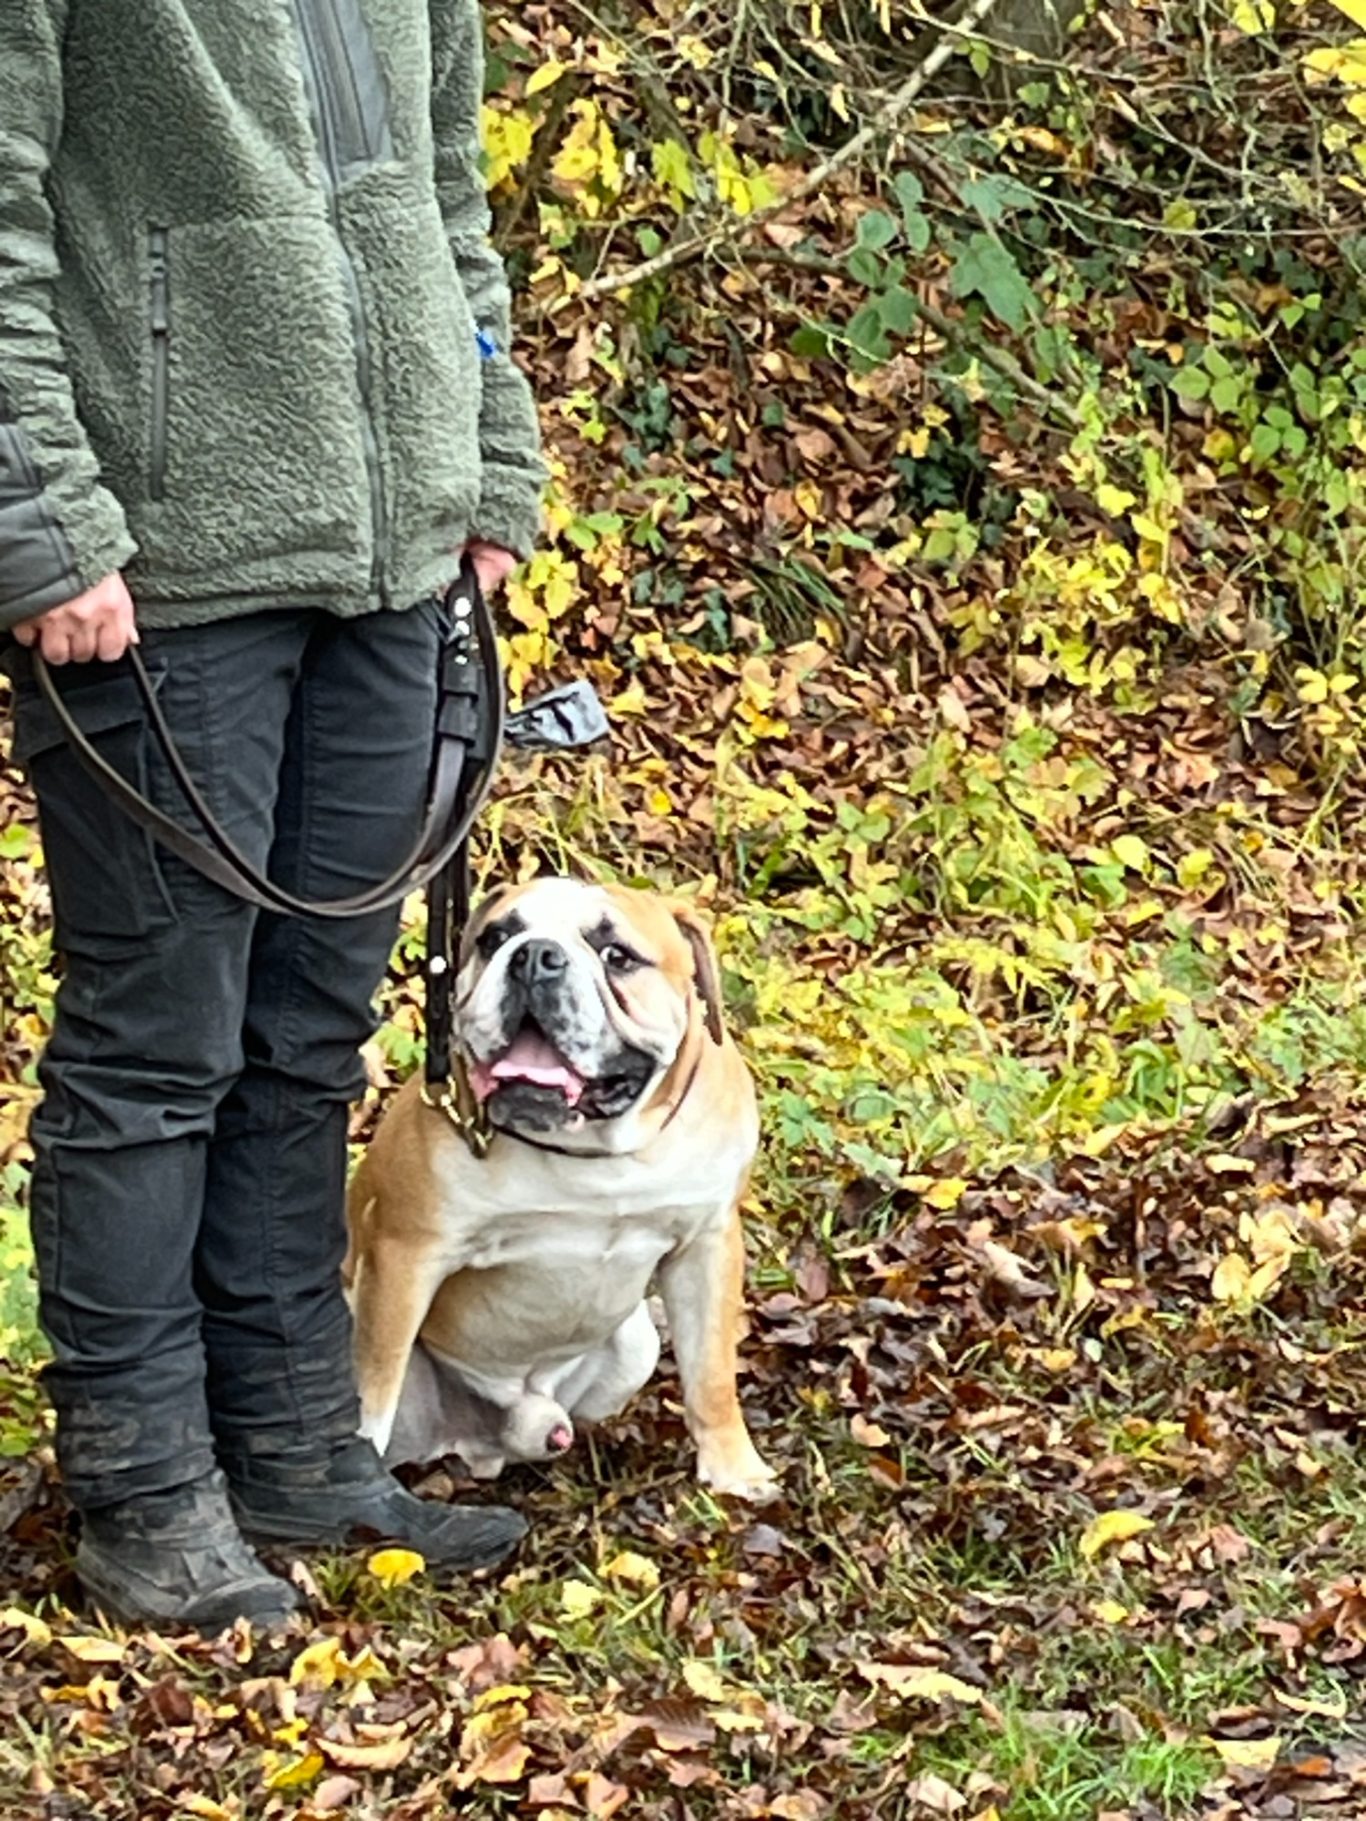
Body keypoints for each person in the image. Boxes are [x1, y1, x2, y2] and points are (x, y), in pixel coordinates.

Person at [0, 0, 546, 1630]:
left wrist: (489, 467)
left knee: (310, 1033)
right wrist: (41, 519)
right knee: (157, 1049)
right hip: (156, 574)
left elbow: (450, 202)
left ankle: (299, 1443)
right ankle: (144, 1487)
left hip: (394, 563)